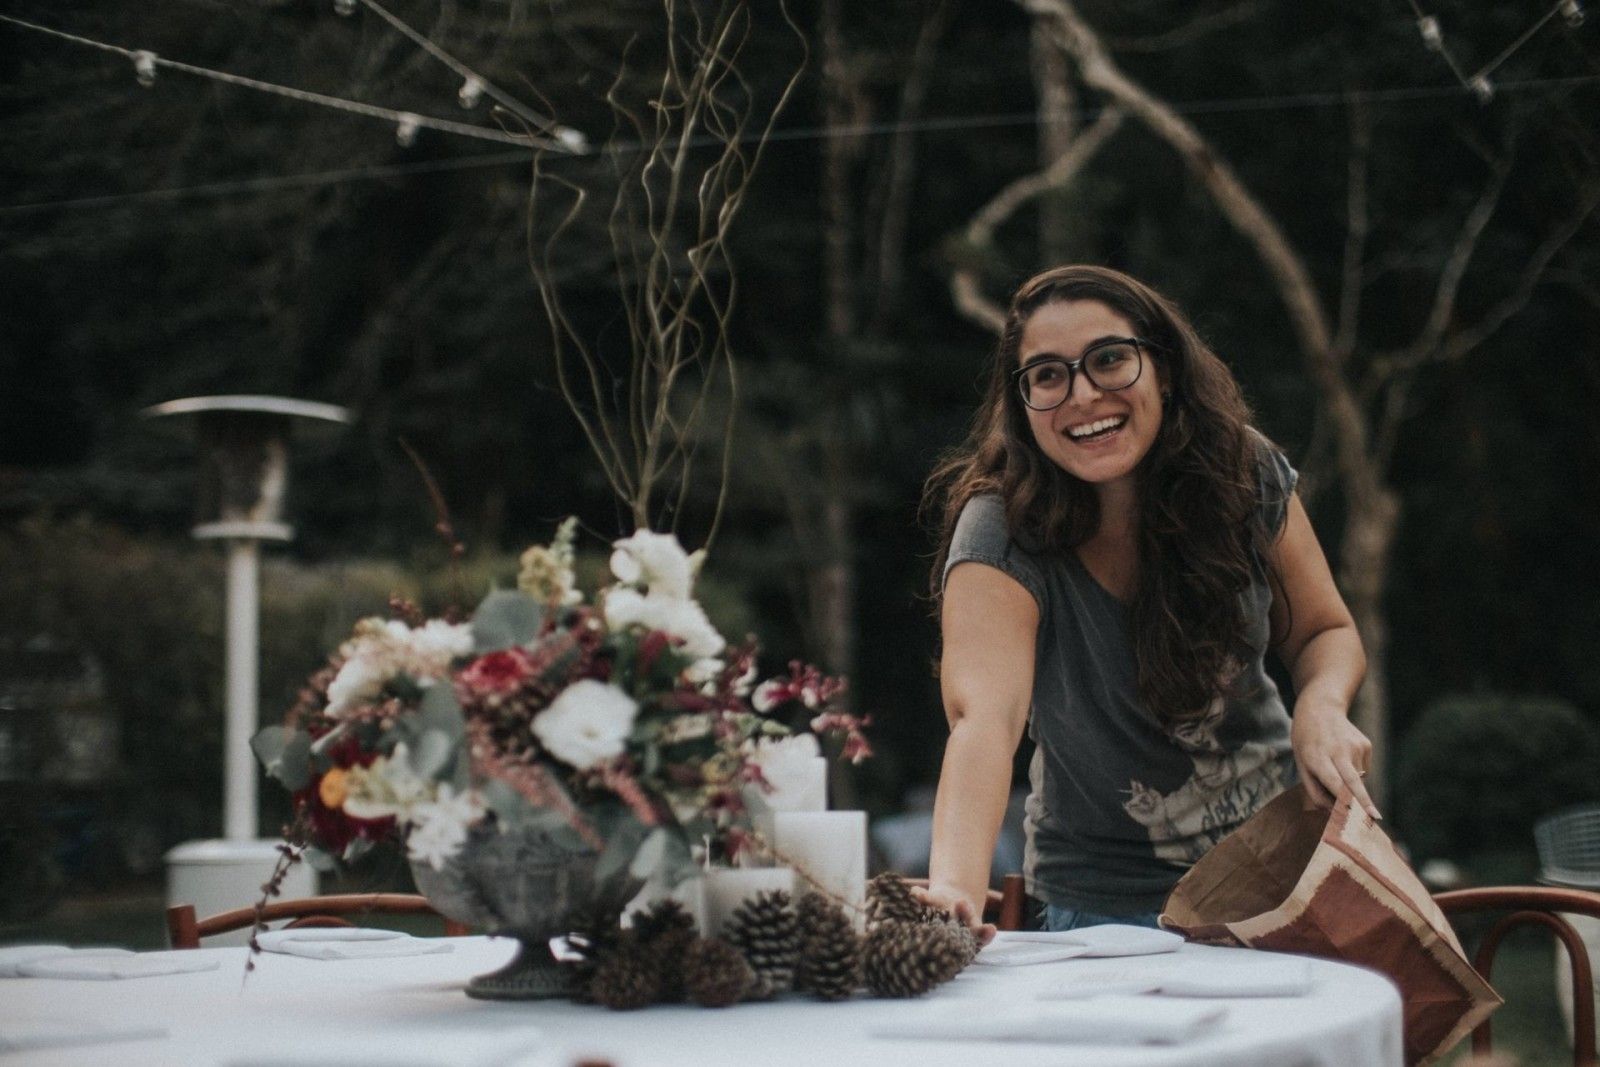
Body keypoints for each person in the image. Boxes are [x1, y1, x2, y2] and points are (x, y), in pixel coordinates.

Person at [915, 265, 1376, 939]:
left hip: (1287, 870)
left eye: (1108, 359)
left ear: (1162, 367)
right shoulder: (1001, 527)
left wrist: (1323, 707)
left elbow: (1321, 630)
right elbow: (985, 719)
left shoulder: (1242, 472)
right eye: (1047, 374)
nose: (1082, 394)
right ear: (1022, 404)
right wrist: (954, 885)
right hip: (1104, 907)